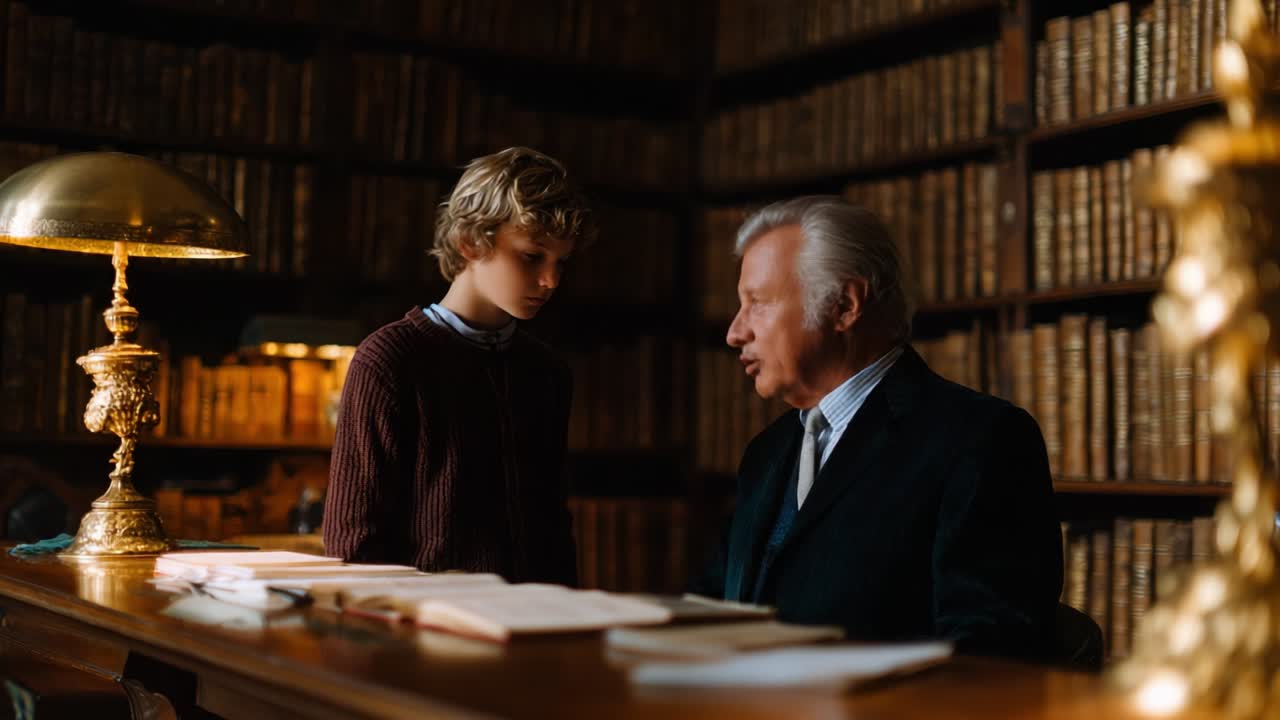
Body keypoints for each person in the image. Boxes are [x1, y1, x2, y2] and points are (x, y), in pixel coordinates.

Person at [689, 195, 1063, 659]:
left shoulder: (982, 441)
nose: (734, 332)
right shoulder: (765, 453)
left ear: (845, 305)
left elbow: (989, 654)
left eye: (758, 303)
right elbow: (711, 611)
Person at [323, 146, 594, 585]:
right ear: (470, 242)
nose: (551, 280)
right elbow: (354, 544)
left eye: (561, 262)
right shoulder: (390, 360)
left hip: (537, 628)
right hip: (424, 632)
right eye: (531, 256)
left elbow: (554, 527)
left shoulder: (546, 372)